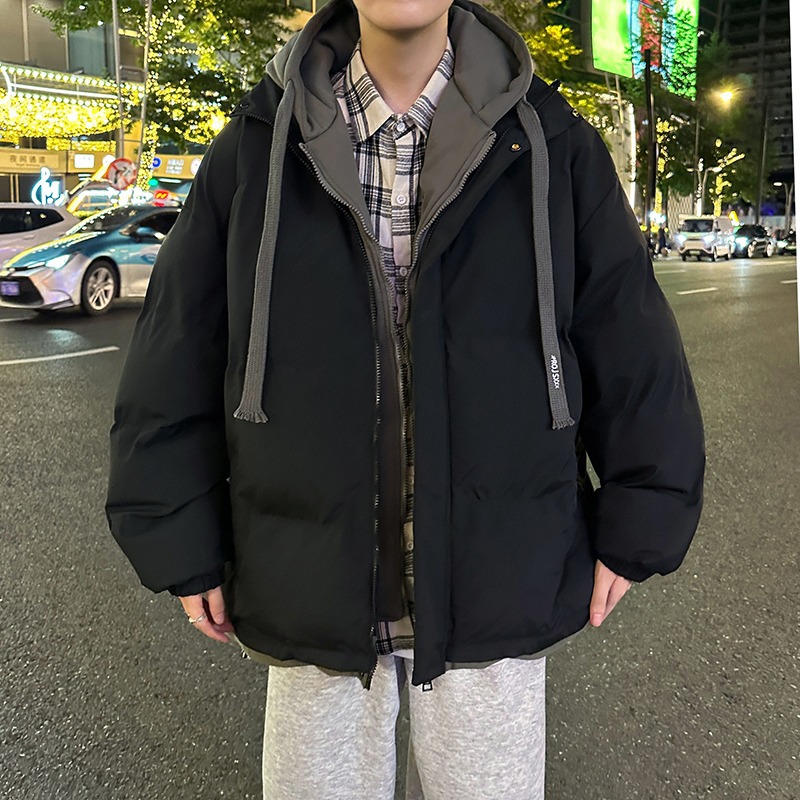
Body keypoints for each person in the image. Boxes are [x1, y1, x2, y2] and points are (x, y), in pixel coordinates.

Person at [106, 0, 705, 797]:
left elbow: (630, 337)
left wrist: (643, 515)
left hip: (495, 574)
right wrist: (175, 527)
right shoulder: (259, 143)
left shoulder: (550, 142)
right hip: (310, 578)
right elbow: (180, 343)